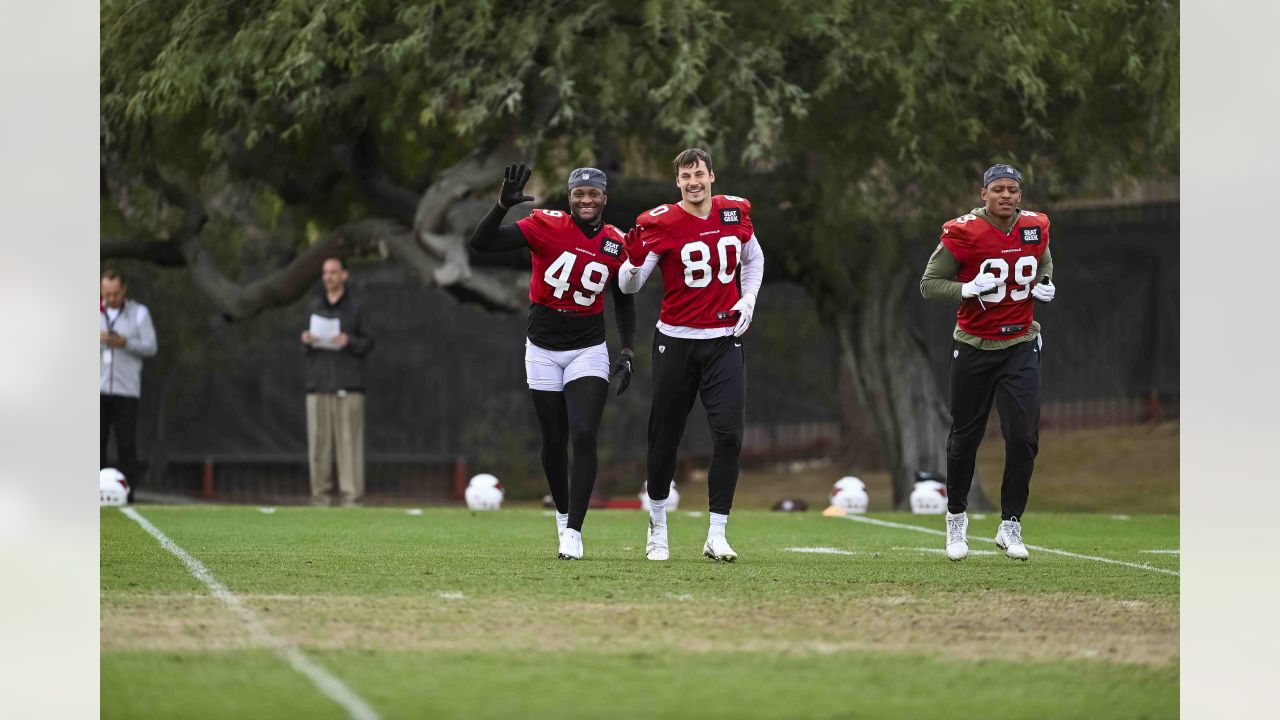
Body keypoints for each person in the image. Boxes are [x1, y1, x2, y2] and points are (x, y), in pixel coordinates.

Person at [468, 163, 636, 560]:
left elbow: (624, 303)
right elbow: (482, 243)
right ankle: (562, 516)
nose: (586, 199)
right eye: (579, 193)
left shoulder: (616, 243)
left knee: (583, 433)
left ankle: (574, 529)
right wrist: (500, 206)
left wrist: (627, 350)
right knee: (554, 440)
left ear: (605, 198)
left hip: (588, 347)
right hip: (542, 346)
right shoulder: (548, 224)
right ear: (570, 197)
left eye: (594, 193)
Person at [619, 148, 765, 562]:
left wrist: (749, 298)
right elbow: (631, 286)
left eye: (698, 174)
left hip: (724, 339)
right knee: (664, 437)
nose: (693, 182)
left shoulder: (734, 212)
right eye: (685, 177)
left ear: (711, 176)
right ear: (678, 183)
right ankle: (658, 529)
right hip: (677, 342)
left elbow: (753, 258)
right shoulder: (662, 222)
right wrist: (629, 265)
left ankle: (716, 533)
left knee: (730, 435)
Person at [919, 164, 1056, 562]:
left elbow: (1042, 262)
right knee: (965, 437)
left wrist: (1046, 283)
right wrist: (966, 287)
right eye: (998, 189)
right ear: (984, 194)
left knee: (1024, 438)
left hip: (1021, 342)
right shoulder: (963, 231)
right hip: (976, 345)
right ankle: (956, 519)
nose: (1007, 196)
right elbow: (929, 284)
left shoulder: (1035, 226)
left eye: (1013, 189)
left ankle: (1010, 524)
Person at [301, 257, 375, 507]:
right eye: (325, 272)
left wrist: (349, 341)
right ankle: (319, 498)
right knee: (318, 445)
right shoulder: (314, 307)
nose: (329, 276)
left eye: (334, 272)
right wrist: (307, 339)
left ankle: (352, 499)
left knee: (349, 444)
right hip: (318, 384)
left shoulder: (356, 308)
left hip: (348, 385)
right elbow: (305, 348)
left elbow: (368, 343)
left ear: (344, 275)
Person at [100, 269, 158, 503]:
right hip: (97, 390)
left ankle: (128, 496)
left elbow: (151, 347)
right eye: (106, 293)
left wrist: (126, 343)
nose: (111, 298)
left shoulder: (139, 313)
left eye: (115, 293)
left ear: (124, 288)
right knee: (95, 444)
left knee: (126, 445)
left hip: (126, 391)